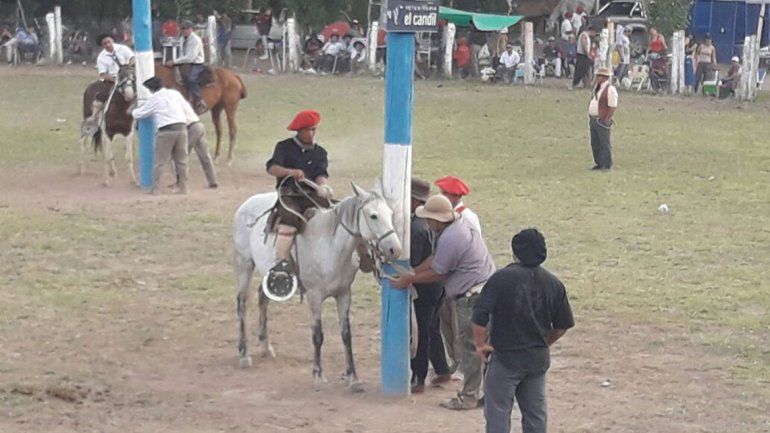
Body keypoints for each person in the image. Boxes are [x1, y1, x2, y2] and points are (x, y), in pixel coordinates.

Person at [392, 194, 495, 410]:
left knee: (470, 348)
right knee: (484, 347)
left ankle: (468, 396)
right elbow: (435, 260)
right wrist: (412, 271)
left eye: (429, 218)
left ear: (437, 220)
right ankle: (486, 393)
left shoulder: (450, 237)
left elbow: (438, 272)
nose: (427, 222)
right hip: (482, 291)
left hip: (470, 296)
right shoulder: (457, 227)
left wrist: (409, 278)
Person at [472, 229, 574, 433]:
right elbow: (563, 325)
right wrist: (544, 342)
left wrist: (480, 344)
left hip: (505, 358)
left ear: (515, 251)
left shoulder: (501, 279)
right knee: (535, 415)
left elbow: (480, 314)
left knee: (498, 413)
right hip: (537, 359)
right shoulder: (554, 283)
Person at [264, 110, 334, 294]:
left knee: (335, 213)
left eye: (314, 129)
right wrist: (289, 172)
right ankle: (281, 265)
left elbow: (321, 174)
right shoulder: (284, 147)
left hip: (311, 194)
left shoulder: (320, 152)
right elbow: (272, 168)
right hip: (289, 195)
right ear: (299, 130)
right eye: (309, 130)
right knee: (289, 222)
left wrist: (323, 187)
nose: (312, 133)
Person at [409, 178, 452, 394]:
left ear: (414, 199)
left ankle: (418, 377)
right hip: (438, 285)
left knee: (421, 331)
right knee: (432, 328)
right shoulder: (428, 224)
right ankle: (442, 369)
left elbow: (415, 263)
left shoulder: (416, 227)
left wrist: (408, 276)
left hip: (424, 286)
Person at [131, 77, 189, 195]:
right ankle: (183, 188)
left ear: (151, 89)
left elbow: (141, 113)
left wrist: (133, 111)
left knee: (160, 161)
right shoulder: (175, 93)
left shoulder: (154, 98)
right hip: (182, 128)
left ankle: (156, 189)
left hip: (166, 131)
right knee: (181, 161)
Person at [180, 91, 218, 188]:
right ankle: (212, 181)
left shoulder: (176, 106)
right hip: (199, 125)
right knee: (205, 155)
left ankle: (180, 181)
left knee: (182, 155)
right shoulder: (184, 103)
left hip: (192, 128)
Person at [168, 20, 206, 114]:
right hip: (185, 61)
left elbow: (190, 58)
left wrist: (175, 61)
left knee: (191, 79)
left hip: (196, 63)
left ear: (191, 29)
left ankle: (199, 100)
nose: (184, 30)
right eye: (183, 28)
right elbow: (181, 53)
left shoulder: (195, 40)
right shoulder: (182, 39)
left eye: (186, 28)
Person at [588, 67, 618, 170]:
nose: (596, 78)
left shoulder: (610, 89)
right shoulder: (597, 88)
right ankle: (599, 163)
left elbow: (612, 106)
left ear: (603, 77)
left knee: (604, 143)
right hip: (593, 119)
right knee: (595, 143)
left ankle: (607, 164)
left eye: (598, 76)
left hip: (601, 120)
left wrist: (606, 119)